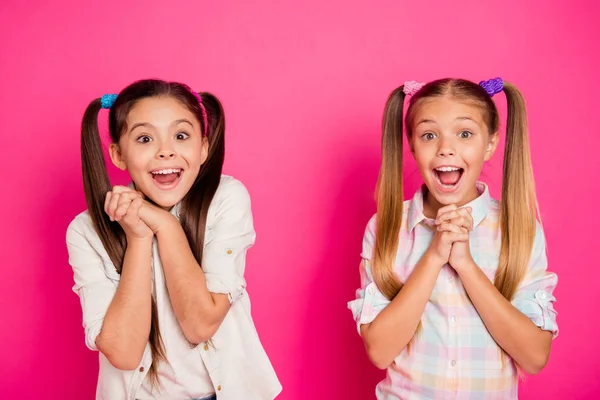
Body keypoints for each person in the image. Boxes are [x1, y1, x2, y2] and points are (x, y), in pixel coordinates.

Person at [66, 79, 281, 400]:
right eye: (144, 138)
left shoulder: (226, 199)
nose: (165, 150)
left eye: (181, 136)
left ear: (204, 148)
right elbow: (123, 354)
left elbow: (200, 325)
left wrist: (164, 225)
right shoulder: (86, 231)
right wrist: (138, 238)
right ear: (118, 155)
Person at [348, 78, 558, 399]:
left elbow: (534, 357)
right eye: (430, 135)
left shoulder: (520, 229)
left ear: (489, 144)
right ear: (413, 144)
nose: (446, 148)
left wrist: (465, 265)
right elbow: (379, 352)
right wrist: (434, 256)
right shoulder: (386, 227)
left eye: (464, 134)